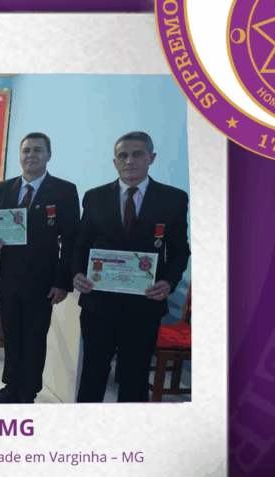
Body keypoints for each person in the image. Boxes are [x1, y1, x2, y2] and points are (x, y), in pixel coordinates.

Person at [72, 131, 191, 402]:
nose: (129, 161)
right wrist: (77, 273)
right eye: (122, 155)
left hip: (144, 305)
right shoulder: (94, 197)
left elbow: (180, 251)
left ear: (151, 158)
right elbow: (80, 245)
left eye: (137, 154)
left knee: (135, 377)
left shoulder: (173, 199)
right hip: (98, 304)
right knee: (92, 374)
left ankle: (131, 426)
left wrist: (169, 281)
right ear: (115, 162)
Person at [0, 132, 80, 404]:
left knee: (35, 338)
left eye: (38, 150)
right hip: (9, 276)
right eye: (26, 150)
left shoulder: (64, 190)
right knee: (11, 336)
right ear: (19, 156)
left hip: (43, 280)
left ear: (49, 155)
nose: (31, 155)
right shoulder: (5, 188)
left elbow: (72, 241)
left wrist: (62, 282)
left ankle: (28, 393)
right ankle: (10, 387)